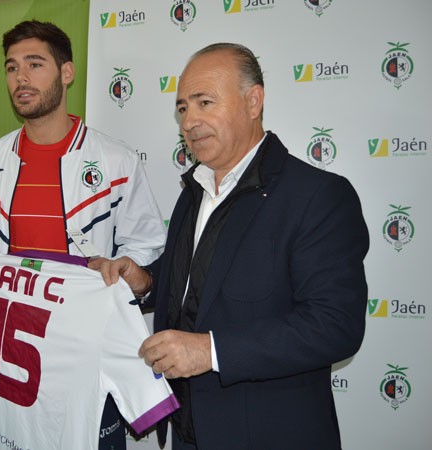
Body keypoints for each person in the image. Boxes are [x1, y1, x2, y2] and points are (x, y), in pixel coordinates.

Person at [96, 43, 369, 450]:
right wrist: (146, 283)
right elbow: (199, 284)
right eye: (183, 108)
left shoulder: (317, 195)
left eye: (205, 102)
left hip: (270, 436)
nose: (190, 121)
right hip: (187, 432)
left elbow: (335, 325)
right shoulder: (194, 192)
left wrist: (212, 350)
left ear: (253, 100)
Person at [0, 20, 167, 449]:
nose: (20, 77)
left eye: (35, 64)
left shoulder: (116, 161)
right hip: (12, 354)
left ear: (66, 72)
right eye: (12, 67)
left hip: (87, 354)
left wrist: (129, 270)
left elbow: (147, 247)